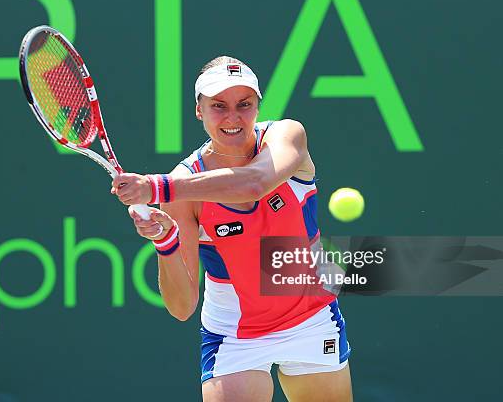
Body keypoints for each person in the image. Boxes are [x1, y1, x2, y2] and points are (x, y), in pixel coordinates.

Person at [111, 56, 353, 402]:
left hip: (311, 317)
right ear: (199, 111)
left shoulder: (287, 135)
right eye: (218, 106)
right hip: (235, 336)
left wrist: (157, 187)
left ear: (258, 105)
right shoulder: (183, 185)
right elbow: (182, 307)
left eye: (244, 104)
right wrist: (165, 241)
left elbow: (254, 183)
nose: (233, 117)